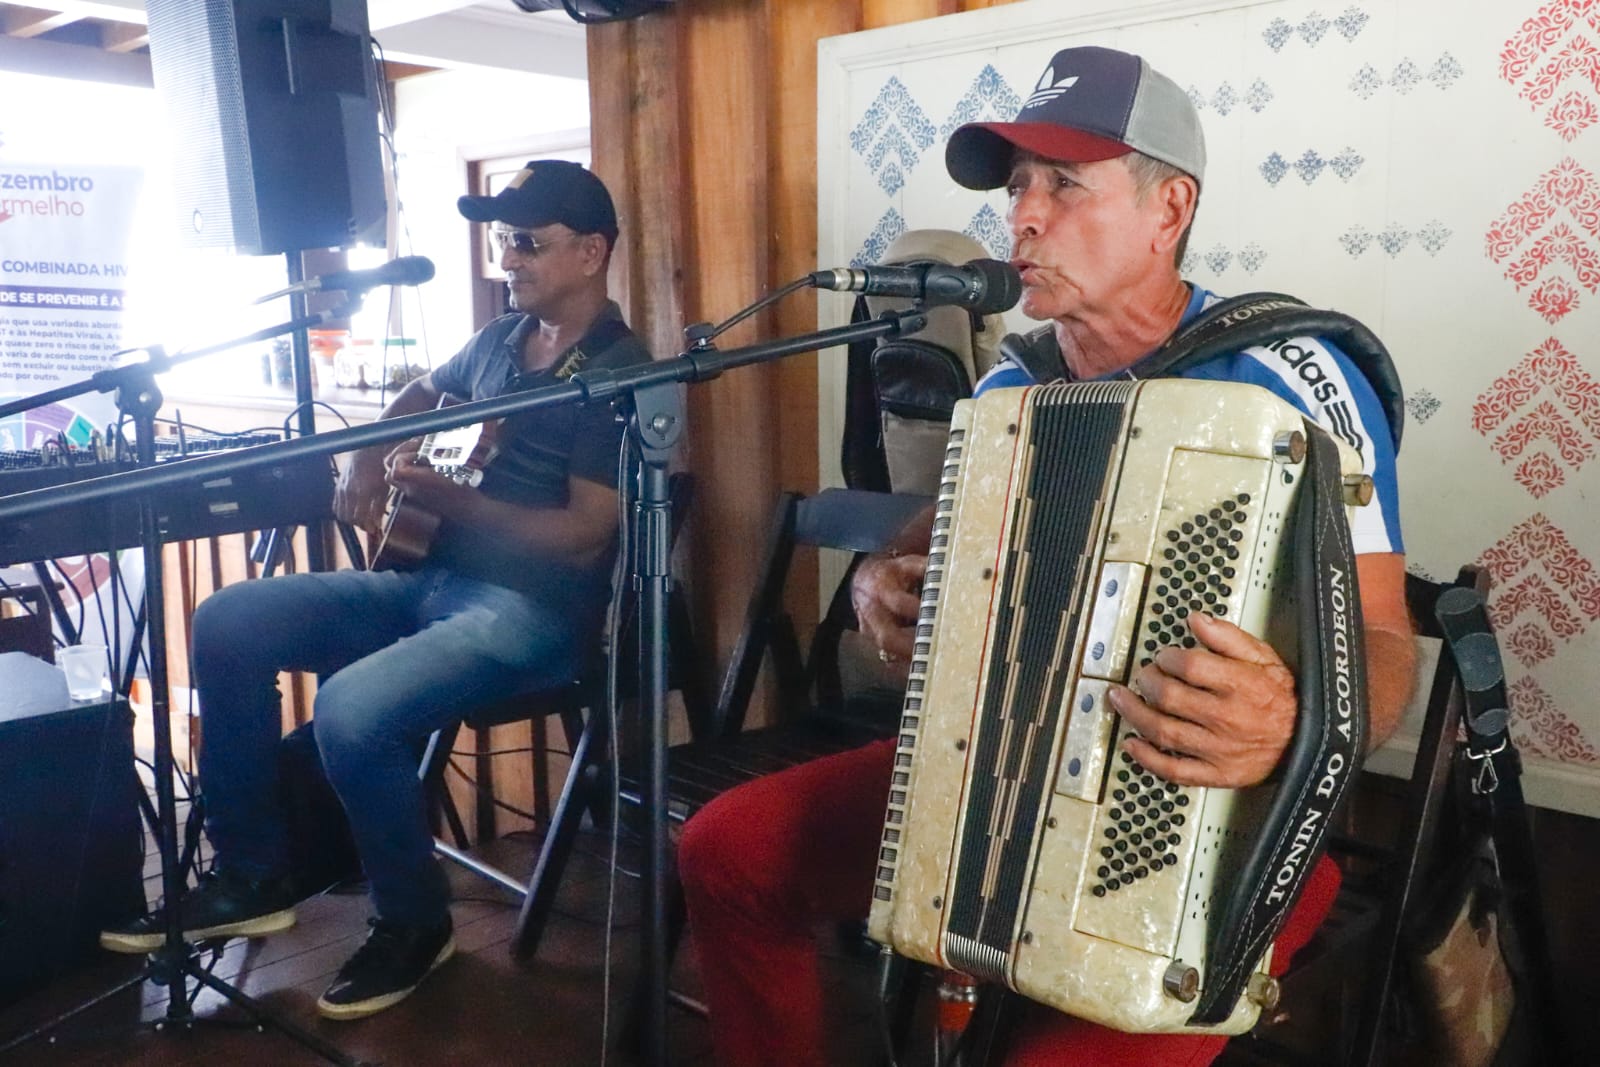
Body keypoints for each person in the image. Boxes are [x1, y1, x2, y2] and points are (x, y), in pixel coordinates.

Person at [677, 46, 1416, 1066]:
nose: (1022, 217)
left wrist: (1293, 721)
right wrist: (883, 587)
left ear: (1168, 210)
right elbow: (939, 546)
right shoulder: (1007, 391)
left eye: (1065, 185)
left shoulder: (1288, 371)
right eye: (1018, 187)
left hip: (1221, 821)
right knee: (725, 850)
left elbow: (1382, 634)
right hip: (1003, 770)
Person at [101, 160, 649, 1020]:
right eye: (503, 240)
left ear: (590, 252)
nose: (508, 258)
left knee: (352, 709)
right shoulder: (505, 339)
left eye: (527, 243)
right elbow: (427, 388)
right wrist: (365, 453)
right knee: (229, 618)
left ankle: (414, 921)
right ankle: (252, 871)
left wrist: (455, 500)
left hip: (532, 614)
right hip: (429, 579)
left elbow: (586, 534)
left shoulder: (619, 371)